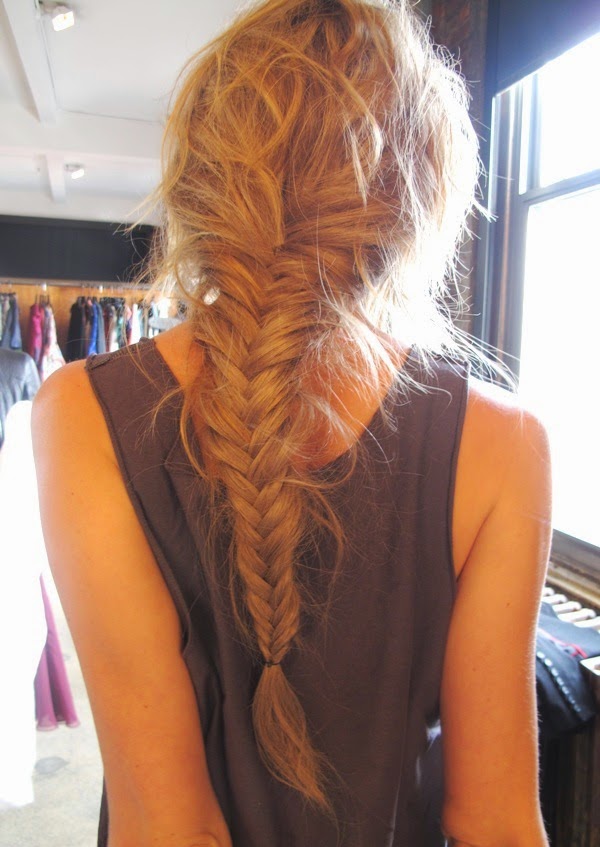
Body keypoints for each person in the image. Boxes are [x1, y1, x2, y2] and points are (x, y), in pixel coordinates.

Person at [31, 1, 552, 845]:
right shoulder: (504, 445)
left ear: (205, 171)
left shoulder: (83, 415)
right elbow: (496, 822)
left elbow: (167, 829)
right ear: (420, 188)